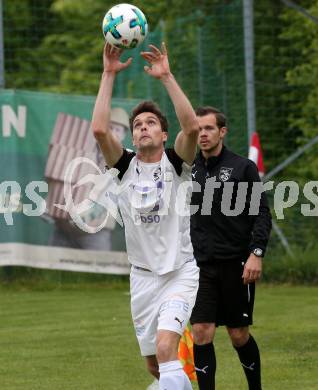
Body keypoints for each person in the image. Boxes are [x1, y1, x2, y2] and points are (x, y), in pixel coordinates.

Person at [91, 42, 200, 390]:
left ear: (164, 134)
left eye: (151, 123)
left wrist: (166, 76)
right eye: (137, 124)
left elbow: (193, 128)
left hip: (179, 272)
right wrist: (108, 73)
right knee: (155, 364)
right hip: (142, 278)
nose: (143, 127)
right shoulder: (124, 167)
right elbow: (99, 130)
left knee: (169, 346)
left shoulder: (176, 164)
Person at [190, 106, 272, 390]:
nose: (202, 134)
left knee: (238, 334)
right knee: (201, 331)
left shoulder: (242, 168)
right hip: (200, 266)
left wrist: (256, 253)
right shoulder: (190, 168)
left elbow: (262, 213)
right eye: (198, 129)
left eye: (208, 128)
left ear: (222, 132)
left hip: (237, 264)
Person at [46, 107, 130, 250]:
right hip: (64, 228)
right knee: (52, 268)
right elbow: (58, 176)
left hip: (95, 233)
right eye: (110, 128)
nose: (113, 133)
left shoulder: (124, 160)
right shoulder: (77, 149)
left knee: (98, 270)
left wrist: (88, 216)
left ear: (123, 135)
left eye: (118, 130)